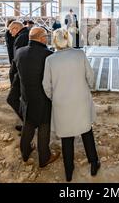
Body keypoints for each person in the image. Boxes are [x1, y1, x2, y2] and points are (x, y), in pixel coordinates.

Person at [42, 29, 100, 182]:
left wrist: (55, 97)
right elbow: (90, 76)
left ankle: (69, 170)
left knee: (67, 137)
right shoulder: (79, 54)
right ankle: (93, 163)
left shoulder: (50, 59)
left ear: (54, 41)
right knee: (86, 132)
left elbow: (46, 85)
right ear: (69, 40)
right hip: (80, 99)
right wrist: (88, 88)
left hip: (62, 102)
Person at [10, 27, 60, 166]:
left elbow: (14, 74)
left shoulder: (20, 52)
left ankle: (25, 152)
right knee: (44, 126)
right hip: (43, 98)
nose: (47, 38)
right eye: (46, 36)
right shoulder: (49, 55)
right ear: (41, 38)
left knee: (28, 124)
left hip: (26, 97)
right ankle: (44, 157)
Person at [7, 21, 30, 127]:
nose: (10, 33)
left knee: (13, 99)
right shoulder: (27, 34)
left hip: (21, 74)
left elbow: (17, 59)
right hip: (26, 72)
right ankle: (27, 123)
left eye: (11, 30)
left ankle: (28, 124)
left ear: (16, 28)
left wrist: (13, 75)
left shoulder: (21, 38)